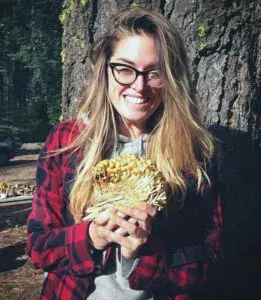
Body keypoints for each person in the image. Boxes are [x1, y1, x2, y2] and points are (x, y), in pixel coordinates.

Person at [26, 7, 223, 300]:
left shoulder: (195, 152)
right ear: (106, 70)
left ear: (172, 78)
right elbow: (39, 247)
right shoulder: (66, 142)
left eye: (155, 72)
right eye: (125, 68)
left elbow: (210, 260)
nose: (139, 85)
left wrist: (145, 251)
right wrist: (93, 237)